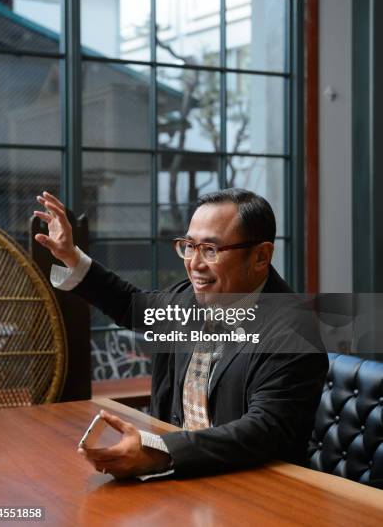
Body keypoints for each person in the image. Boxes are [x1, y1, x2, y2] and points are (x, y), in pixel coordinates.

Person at [34, 188, 328, 479]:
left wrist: (159, 451)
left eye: (211, 250)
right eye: (189, 246)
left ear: (261, 256)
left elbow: (264, 430)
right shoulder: (190, 299)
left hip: (258, 487)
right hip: (183, 478)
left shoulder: (293, 329)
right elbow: (130, 305)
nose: (195, 264)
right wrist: (72, 256)